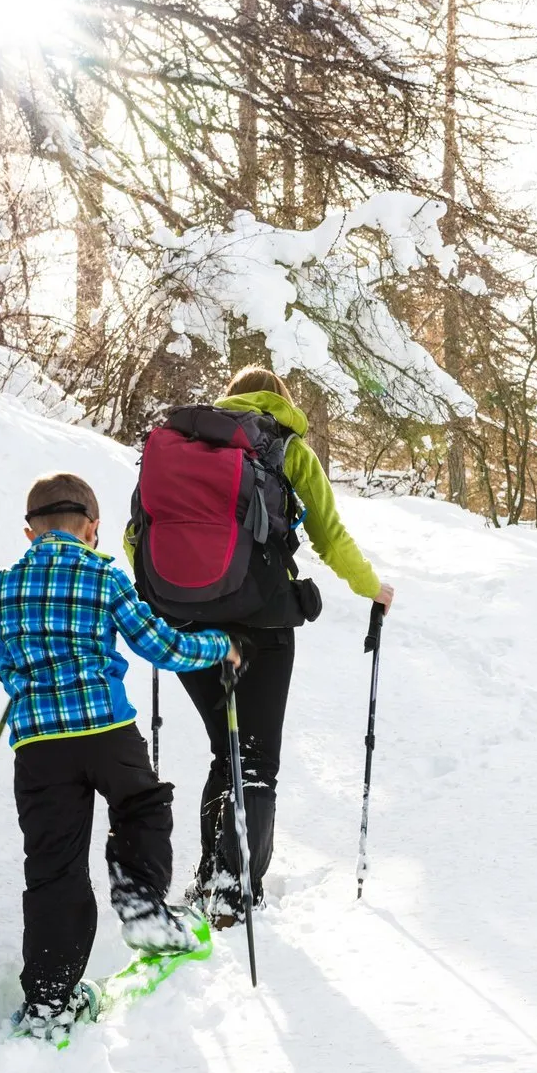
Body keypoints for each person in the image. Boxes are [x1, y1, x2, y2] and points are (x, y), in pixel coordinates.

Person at [0, 471, 240, 1040]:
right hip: (105, 727)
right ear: (93, 528)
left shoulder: (5, 584)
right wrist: (219, 645)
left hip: (39, 744)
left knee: (53, 863)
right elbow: (161, 646)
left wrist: (23, 668)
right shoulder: (103, 575)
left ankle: (50, 1000)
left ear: (30, 533)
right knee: (142, 803)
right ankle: (143, 907)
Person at [164, 365, 394, 926]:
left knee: (226, 749)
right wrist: (373, 588)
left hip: (188, 622)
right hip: (263, 622)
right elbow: (330, 537)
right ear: (280, 401)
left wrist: (179, 593)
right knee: (256, 758)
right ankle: (236, 891)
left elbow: (136, 531)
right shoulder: (289, 451)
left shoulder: (183, 445)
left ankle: (210, 878)